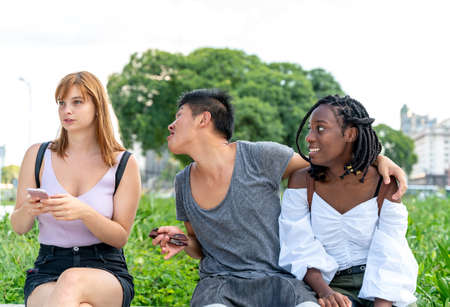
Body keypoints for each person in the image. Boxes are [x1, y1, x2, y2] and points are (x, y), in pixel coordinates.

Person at [151, 89, 408, 307]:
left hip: (278, 281)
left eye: (179, 116)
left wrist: (377, 158)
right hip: (220, 285)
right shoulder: (182, 183)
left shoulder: (260, 157)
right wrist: (183, 241)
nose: (171, 125)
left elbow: (326, 159)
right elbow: (199, 246)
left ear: (203, 119)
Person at [10, 71, 141, 307]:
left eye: (77, 102)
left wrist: (84, 212)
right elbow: (19, 227)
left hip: (105, 269)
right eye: (62, 103)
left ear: (98, 106)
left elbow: (120, 237)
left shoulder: (123, 163)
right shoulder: (37, 155)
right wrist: (29, 209)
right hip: (48, 269)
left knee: (72, 280)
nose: (66, 110)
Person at [279, 95, 417, 307]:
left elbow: (392, 251)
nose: (309, 137)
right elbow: (298, 246)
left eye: (321, 129)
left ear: (350, 134)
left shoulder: (384, 183)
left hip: (380, 287)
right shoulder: (301, 181)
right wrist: (326, 293)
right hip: (326, 284)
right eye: (310, 129)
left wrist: (381, 305)